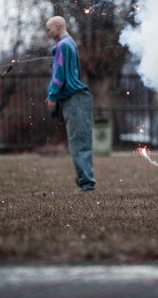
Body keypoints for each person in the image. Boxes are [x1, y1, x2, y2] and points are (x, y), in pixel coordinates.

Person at [45, 16, 96, 192]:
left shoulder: (63, 45)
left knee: (79, 143)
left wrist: (52, 95)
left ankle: (87, 184)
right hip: (76, 99)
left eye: (49, 29)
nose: (48, 32)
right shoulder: (68, 44)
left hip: (75, 99)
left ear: (57, 26)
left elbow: (58, 74)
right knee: (79, 141)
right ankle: (84, 179)